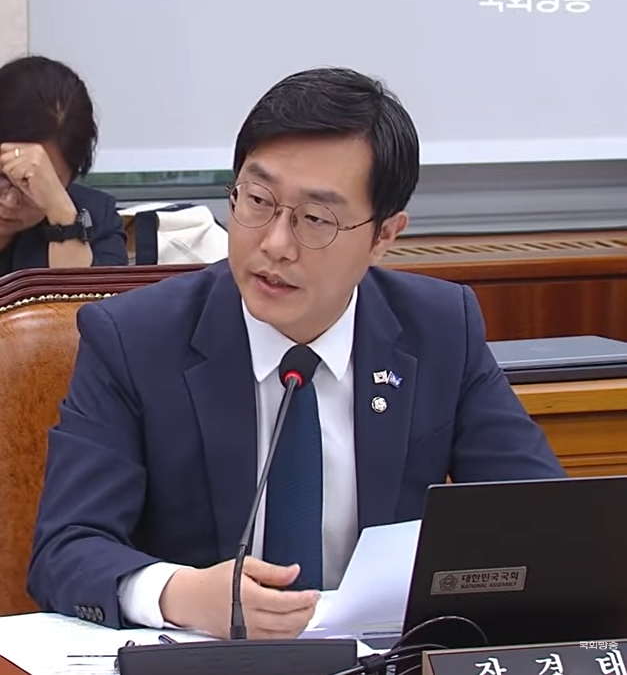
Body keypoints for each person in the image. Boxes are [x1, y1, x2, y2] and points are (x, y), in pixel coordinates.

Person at [28, 67, 565, 640]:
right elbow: (65, 547)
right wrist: (180, 593)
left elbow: (544, 523)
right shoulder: (135, 338)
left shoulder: (438, 330)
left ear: (384, 235)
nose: (275, 244)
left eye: (316, 219)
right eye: (258, 200)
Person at [0, 56, 127, 277]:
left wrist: (63, 219)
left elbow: (91, 299)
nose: (10, 201)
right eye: (3, 175)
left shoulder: (98, 220)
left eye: (32, 182)